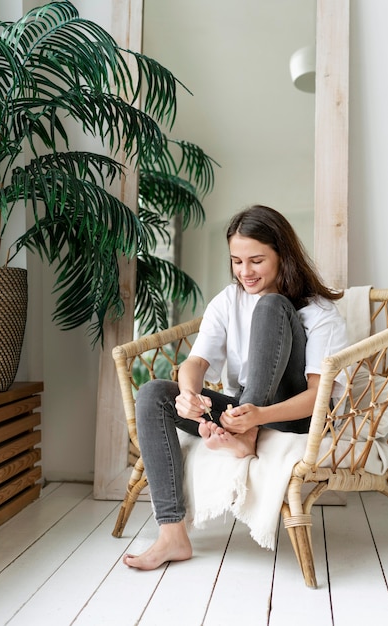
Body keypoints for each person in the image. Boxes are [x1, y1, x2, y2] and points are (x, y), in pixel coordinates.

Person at [123, 204, 348, 571]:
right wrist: (188, 394)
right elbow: (195, 363)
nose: (245, 272)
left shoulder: (319, 312)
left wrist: (258, 416)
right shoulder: (228, 301)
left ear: (282, 255)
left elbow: (316, 398)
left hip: (291, 416)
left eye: (256, 260)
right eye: (236, 261)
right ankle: (172, 534)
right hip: (241, 411)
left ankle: (246, 436)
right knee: (152, 395)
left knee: (272, 306)